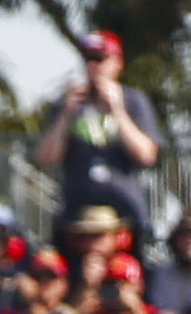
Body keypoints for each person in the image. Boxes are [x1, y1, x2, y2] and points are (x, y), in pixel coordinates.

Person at [34, 30, 164, 245]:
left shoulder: (134, 101)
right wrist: (66, 115)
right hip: (77, 214)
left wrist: (117, 110)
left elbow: (146, 155)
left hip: (124, 212)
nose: (93, 67)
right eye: (88, 59)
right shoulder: (65, 104)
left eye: (100, 59)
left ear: (117, 64)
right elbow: (45, 158)